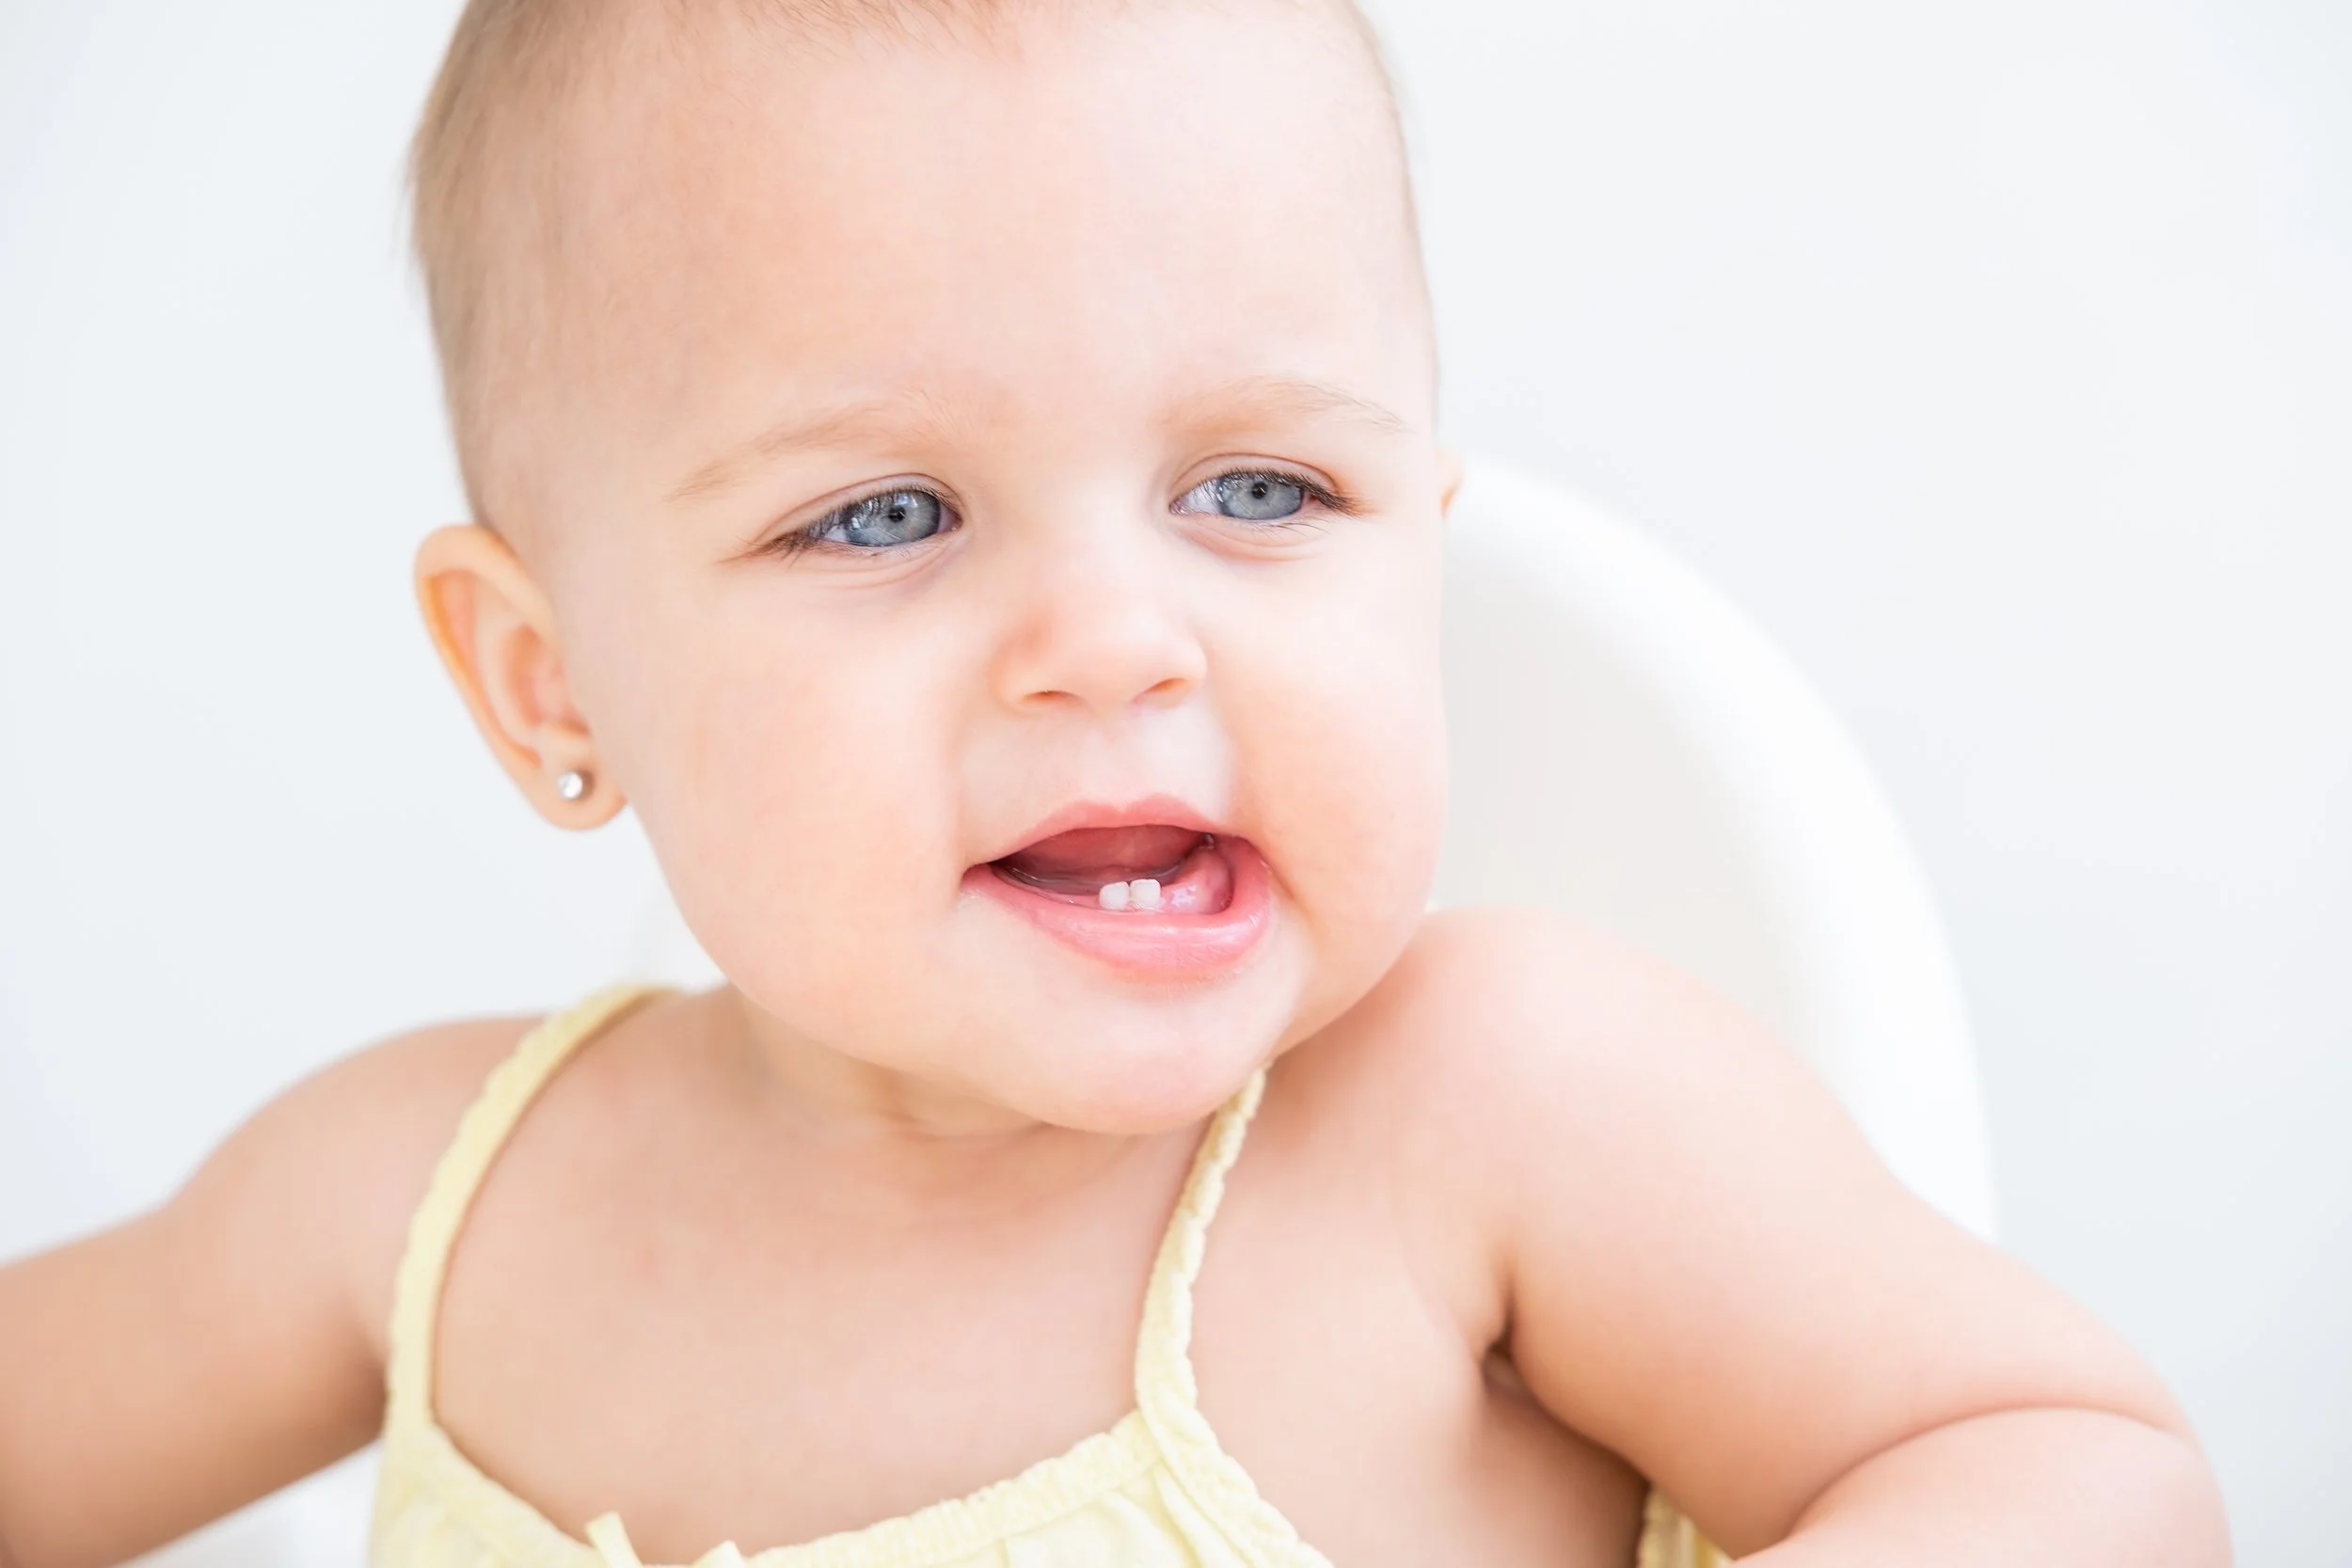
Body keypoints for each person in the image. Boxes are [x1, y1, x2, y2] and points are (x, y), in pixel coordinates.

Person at [0, 2, 2229, 1564]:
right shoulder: (420, 1200)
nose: (1116, 638)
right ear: (545, 675)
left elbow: (2070, 1464)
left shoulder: (1493, 1117)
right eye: (882, 515)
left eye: (1256, 484)